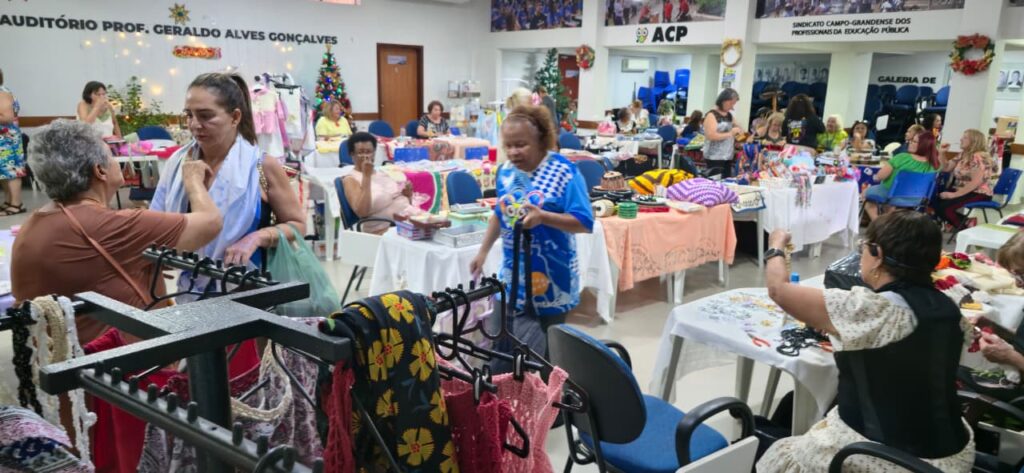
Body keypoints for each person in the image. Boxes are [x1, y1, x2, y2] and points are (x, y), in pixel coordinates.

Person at [757, 213, 974, 472]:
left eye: (863, 247)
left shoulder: (874, 308)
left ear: (877, 254)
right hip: (953, 454)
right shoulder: (949, 305)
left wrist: (776, 245)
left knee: (778, 455)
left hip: (890, 458)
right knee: (792, 406)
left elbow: (779, 290)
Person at [12, 119, 222, 344]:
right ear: (100, 170)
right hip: (119, 359)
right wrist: (193, 182)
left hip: (60, 356)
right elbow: (210, 223)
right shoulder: (112, 225)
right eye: (111, 156)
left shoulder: (33, 224)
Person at [151, 73, 305, 280]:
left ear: (235, 117)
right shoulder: (178, 162)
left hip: (248, 284)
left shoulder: (261, 165)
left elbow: (298, 225)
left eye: (205, 116)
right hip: (189, 288)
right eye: (189, 115)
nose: (194, 124)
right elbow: (156, 222)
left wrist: (257, 237)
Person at [469, 105, 593, 359]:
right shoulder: (505, 172)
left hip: (553, 281)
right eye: (508, 145)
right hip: (511, 277)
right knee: (501, 348)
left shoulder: (564, 172)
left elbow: (584, 222)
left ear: (541, 140)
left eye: (521, 144)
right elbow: (500, 213)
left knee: (545, 357)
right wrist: (483, 251)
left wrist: (544, 217)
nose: (513, 152)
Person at [341, 132, 421, 234]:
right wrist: (366, 177)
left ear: (374, 153)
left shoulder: (384, 173)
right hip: (385, 229)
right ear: (352, 154)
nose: (365, 156)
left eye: (369, 152)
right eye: (361, 152)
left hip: (407, 221)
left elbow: (402, 202)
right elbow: (362, 212)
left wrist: (408, 195)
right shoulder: (351, 179)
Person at [863, 130, 938, 221]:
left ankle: (878, 222)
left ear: (924, 145)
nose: (910, 143)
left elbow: (881, 176)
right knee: (889, 203)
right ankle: (889, 222)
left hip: (892, 195)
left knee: (866, 194)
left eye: (914, 141)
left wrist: (876, 177)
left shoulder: (902, 157)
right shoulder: (934, 165)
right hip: (918, 199)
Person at [933, 129, 994, 229]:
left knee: (945, 209)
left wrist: (954, 195)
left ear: (974, 141)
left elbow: (976, 182)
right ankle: (967, 222)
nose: (961, 139)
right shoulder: (963, 154)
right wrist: (942, 153)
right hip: (964, 190)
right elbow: (946, 168)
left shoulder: (980, 157)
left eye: (965, 137)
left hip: (979, 193)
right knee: (935, 201)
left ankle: (964, 230)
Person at [0, 68, 26, 216]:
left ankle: (17, 204)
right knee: (4, 172)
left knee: (12, 172)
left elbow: (8, 117)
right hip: (3, 139)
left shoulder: (2, 94)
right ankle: (8, 202)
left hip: (7, 139)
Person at [702, 88, 743, 178]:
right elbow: (711, 135)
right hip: (714, 157)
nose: (732, 107)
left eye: (734, 104)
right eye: (731, 103)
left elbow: (739, 127)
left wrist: (739, 132)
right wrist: (730, 133)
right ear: (724, 100)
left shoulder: (729, 115)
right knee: (715, 181)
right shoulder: (711, 115)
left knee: (726, 181)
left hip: (727, 156)